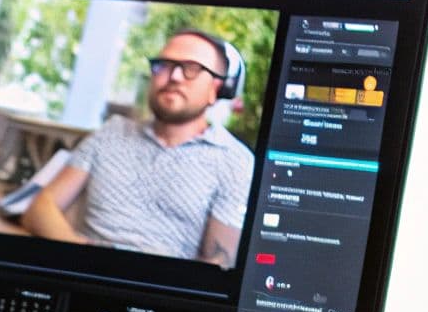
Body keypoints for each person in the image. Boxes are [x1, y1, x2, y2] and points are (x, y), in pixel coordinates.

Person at [21, 29, 254, 268]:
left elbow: (218, 263)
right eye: (164, 65)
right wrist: (84, 258)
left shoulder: (235, 162)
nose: (173, 76)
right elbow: (40, 208)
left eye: (191, 68)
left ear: (217, 89)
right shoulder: (111, 132)